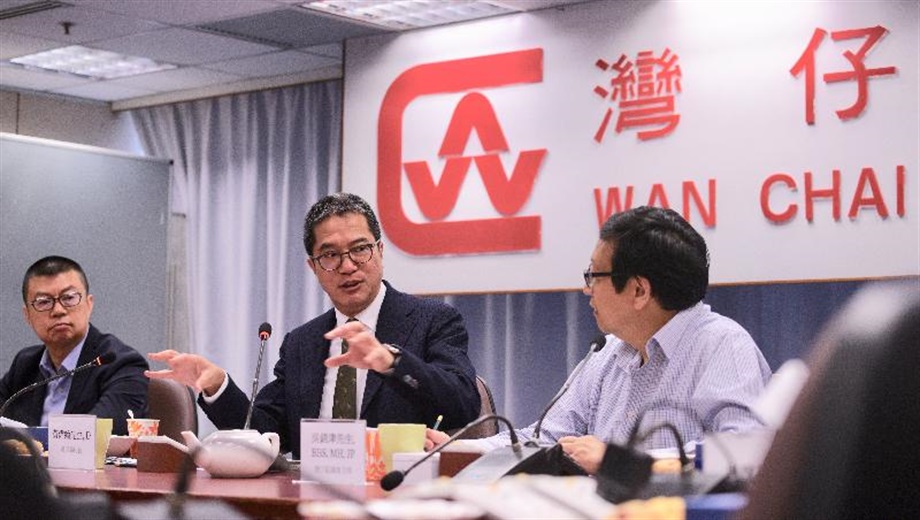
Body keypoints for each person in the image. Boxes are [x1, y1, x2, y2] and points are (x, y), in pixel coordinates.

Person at [427, 206, 772, 474]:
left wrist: (622, 461)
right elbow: (547, 436)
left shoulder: (723, 346)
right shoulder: (610, 352)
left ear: (639, 290)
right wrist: (461, 448)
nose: (586, 289)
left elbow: (742, 452)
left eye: (594, 275)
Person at [147, 193, 480, 457]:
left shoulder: (432, 320)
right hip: (309, 497)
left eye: (360, 249)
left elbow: (463, 403)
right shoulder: (302, 343)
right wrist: (217, 386)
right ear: (314, 267)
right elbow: (264, 432)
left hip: (393, 498)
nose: (348, 266)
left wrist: (389, 361)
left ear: (379, 251)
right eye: (330, 255)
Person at [0, 256, 149, 436]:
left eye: (69, 298)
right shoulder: (25, 365)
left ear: (89, 304)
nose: (58, 311)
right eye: (43, 302)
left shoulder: (121, 363)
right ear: (27, 316)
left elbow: (103, 430)